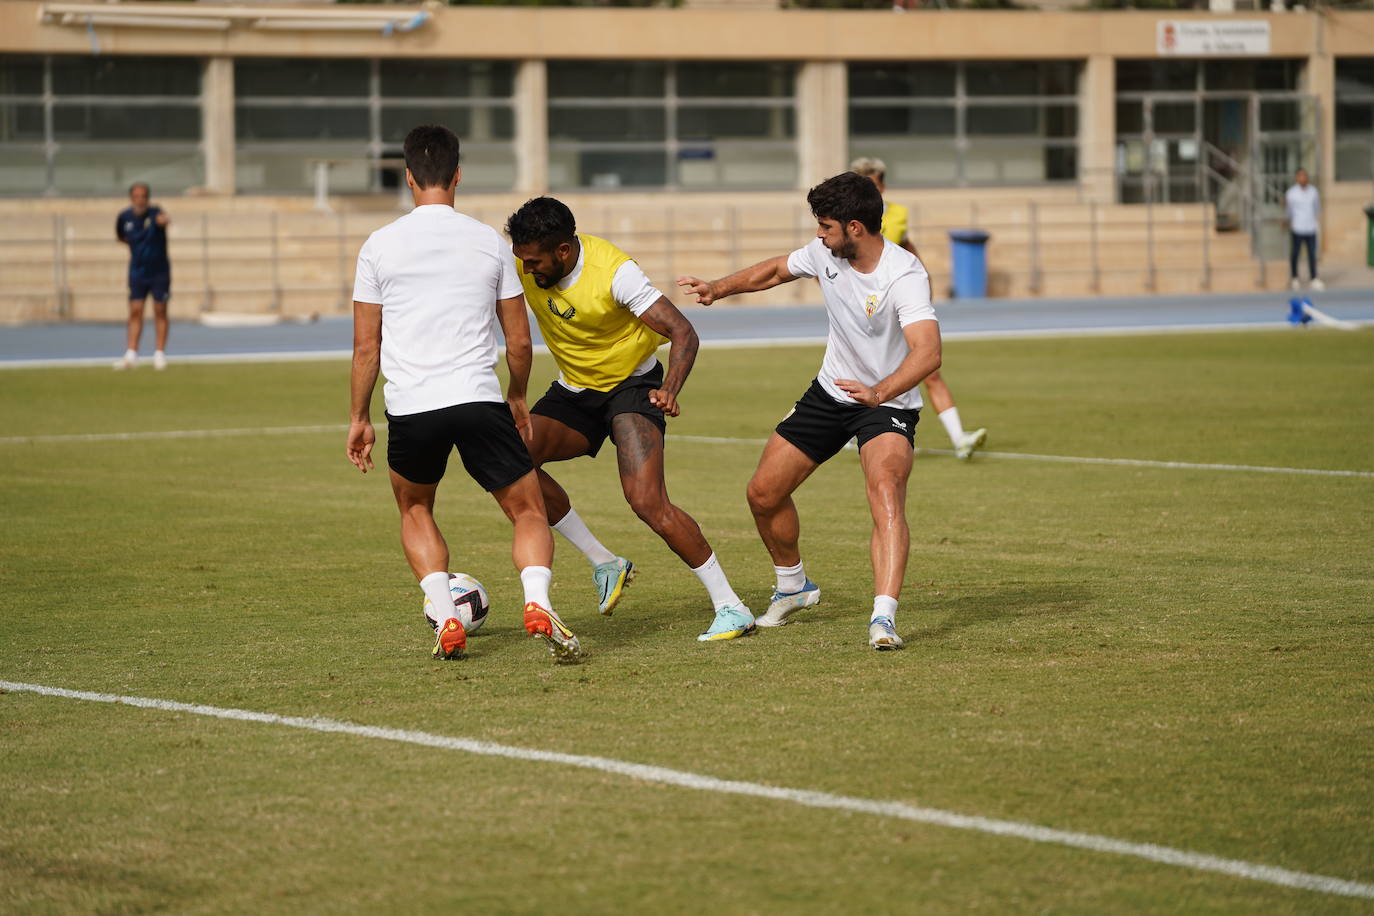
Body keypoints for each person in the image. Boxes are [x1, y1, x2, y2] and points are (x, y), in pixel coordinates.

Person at [347, 125, 582, 663]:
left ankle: (444, 613)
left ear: (408, 178)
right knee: (526, 511)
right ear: (457, 176)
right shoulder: (489, 243)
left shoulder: (378, 246)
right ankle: (537, 602)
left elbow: (366, 348)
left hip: (410, 406)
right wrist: (518, 398)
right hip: (478, 398)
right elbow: (519, 341)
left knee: (415, 509)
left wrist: (359, 416)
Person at [678, 172, 941, 650]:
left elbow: (927, 353)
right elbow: (776, 271)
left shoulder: (904, 274)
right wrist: (719, 287)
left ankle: (883, 618)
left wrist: (879, 393)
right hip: (829, 393)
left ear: (855, 227)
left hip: (885, 403)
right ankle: (794, 585)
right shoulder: (825, 254)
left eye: (826, 226)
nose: (819, 235)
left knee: (885, 494)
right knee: (763, 494)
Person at [504, 197, 754, 642]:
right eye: (521, 260)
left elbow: (683, 332)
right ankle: (605, 562)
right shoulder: (524, 264)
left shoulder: (615, 273)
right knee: (509, 462)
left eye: (535, 261)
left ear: (563, 250)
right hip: (576, 390)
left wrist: (670, 389)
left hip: (633, 387)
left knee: (647, 502)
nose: (528, 270)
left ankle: (731, 606)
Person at [849, 157, 987, 460]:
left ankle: (958, 438)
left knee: (928, 367)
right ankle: (850, 426)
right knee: (860, 368)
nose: (875, 189)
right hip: (868, 308)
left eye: (877, 182)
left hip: (897, 301)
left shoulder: (897, 213)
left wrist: (922, 282)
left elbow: (907, 247)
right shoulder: (846, 218)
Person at [113, 182, 171, 371]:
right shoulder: (124, 217)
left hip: (159, 271)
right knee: (135, 310)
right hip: (137, 271)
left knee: (160, 309)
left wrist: (163, 221)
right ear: (131, 198)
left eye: (144, 196)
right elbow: (121, 236)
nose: (141, 200)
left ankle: (159, 354)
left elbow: (164, 219)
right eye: (137, 196)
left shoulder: (155, 213)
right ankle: (131, 354)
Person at [1285, 168, 1323, 292]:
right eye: (1300, 176)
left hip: (1310, 227)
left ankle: (1314, 278)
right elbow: (1289, 211)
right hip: (1297, 228)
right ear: (1297, 178)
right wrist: (1289, 222)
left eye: (1304, 176)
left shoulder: (1313, 192)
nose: (1302, 178)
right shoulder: (1291, 193)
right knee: (1295, 253)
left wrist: (1317, 223)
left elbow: (1317, 208)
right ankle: (1295, 277)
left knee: (1312, 254)